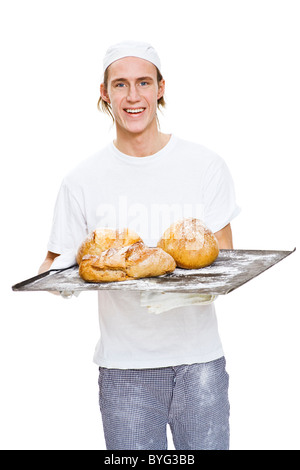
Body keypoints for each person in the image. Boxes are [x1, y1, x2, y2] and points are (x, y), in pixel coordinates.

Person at [39, 41, 240, 450]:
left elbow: (225, 262)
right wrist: (58, 280)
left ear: (161, 88)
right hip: (124, 368)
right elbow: (52, 265)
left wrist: (175, 292)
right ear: (104, 92)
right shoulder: (81, 180)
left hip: (200, 362)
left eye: (144, 83)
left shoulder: (205, 165)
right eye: (121, 85)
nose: (133, 96)